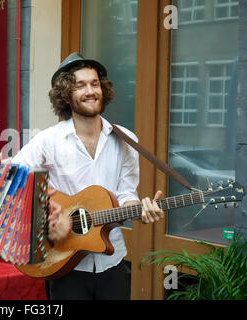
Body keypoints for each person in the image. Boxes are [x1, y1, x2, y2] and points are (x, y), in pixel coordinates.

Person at [12, 52, 165, 300]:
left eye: (94, 84)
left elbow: (126, 193)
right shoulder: (47, 141)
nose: (90, 91)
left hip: (112, 263)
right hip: (62, 262)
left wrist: (140, 210)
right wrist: (47, 214)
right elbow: (12, 180)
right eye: (80, 85)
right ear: (66, 95)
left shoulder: (126, 140)